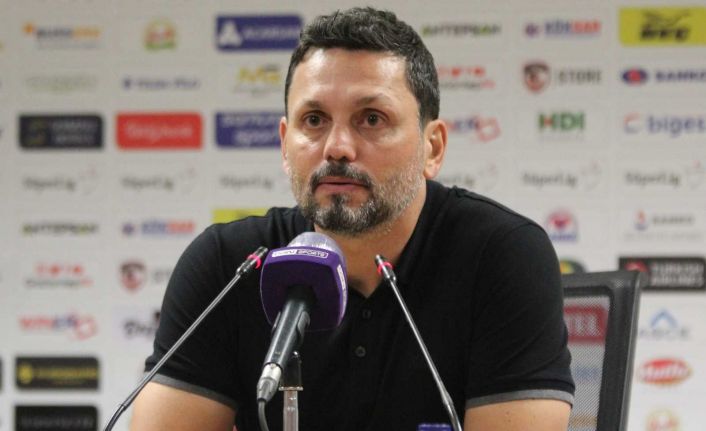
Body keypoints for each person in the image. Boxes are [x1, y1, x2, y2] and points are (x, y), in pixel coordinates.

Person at [131, 7, 574, 431]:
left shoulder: (501, 256)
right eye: (314, 119)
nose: (337, 147)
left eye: (371, 119)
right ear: (285, 145)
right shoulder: (231, 265)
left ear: (433, 148)